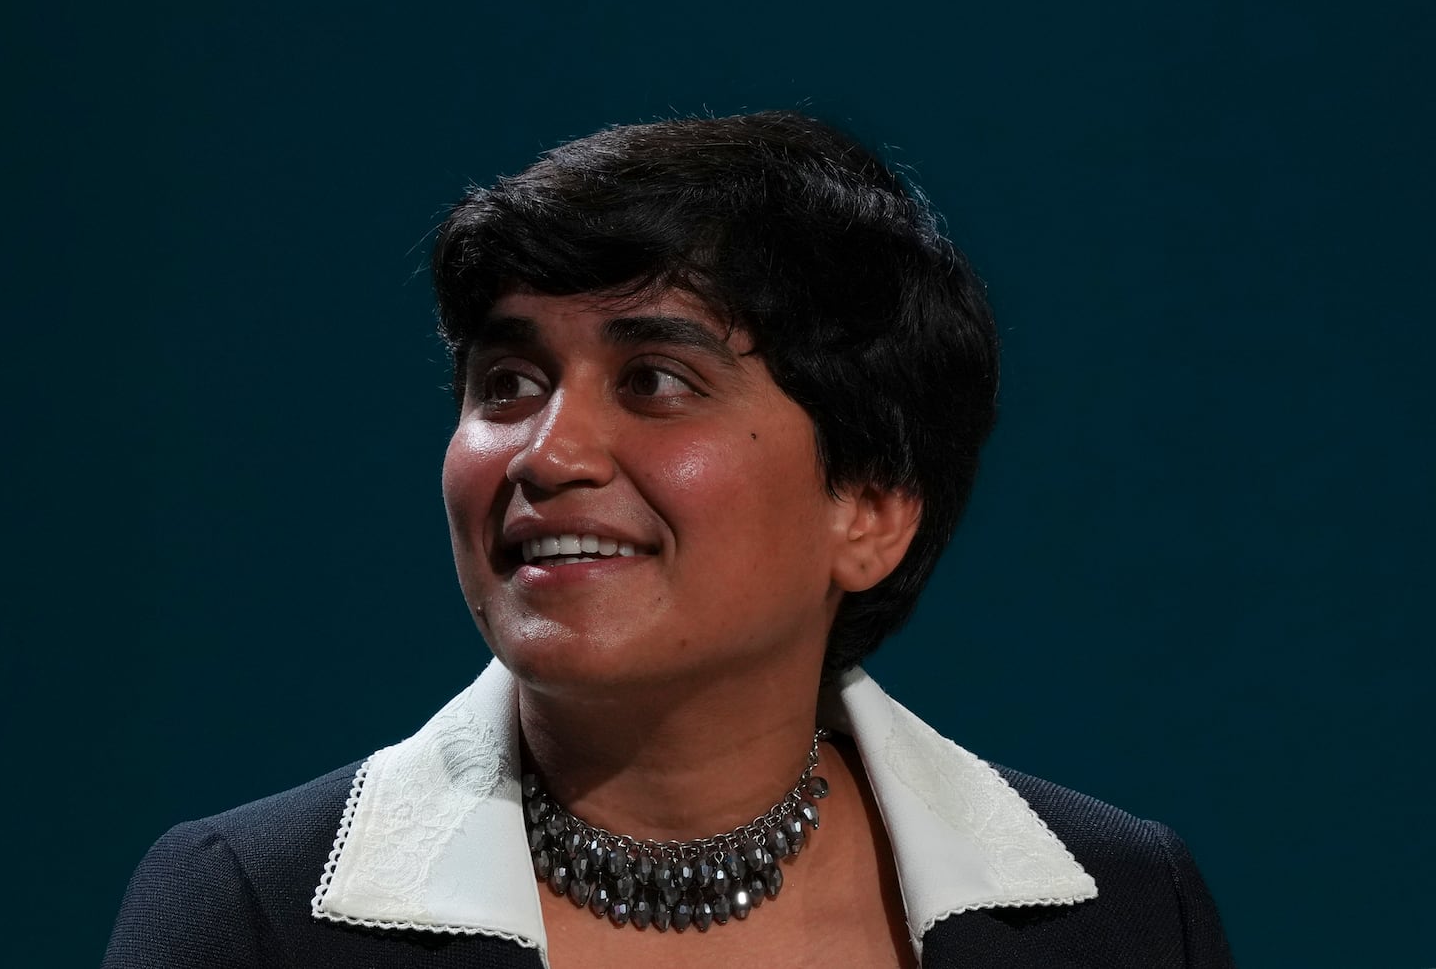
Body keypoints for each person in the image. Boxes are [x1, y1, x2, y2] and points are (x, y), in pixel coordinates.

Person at [104, 111, 1234, 968]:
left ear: (871, 505)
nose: (548, 453)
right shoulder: (250, 914)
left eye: (654, 379)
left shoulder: (1124, 912)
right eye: (507, 382)